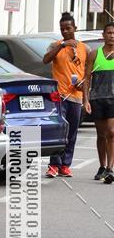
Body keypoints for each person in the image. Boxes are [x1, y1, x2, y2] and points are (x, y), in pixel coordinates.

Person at [42, 12, 88, 178]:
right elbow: (45, 60)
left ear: (75, 28)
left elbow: (87, 73)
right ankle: (54, 164)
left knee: (72, 132)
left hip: (76, 96)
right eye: (62, 29)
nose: (65, 32)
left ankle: (65, 165)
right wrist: (61, 45)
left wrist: (83, 85)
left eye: (68, 28)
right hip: (59, 96)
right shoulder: (55, 45)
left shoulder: (85, 48)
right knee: (58, 129)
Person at [83, 22, 114, 184]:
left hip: (113, 99)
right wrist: (86, 99)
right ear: (103, 35)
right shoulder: (94, 54)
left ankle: (110, 168)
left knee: (111, 132)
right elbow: (86, 78)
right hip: (97, 99)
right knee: (101, 135)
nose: (112, 36)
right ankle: (102, 166)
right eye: (109, 33)